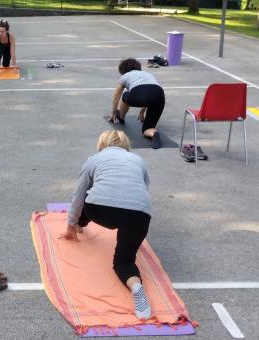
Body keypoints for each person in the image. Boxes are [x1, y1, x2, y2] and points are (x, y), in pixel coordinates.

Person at [60, 130, 152, 320]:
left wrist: (70, 225)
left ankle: (79, 225)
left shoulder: (93, 159)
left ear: (101, 144)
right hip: (138, 214)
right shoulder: (138, 160)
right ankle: (136, 287)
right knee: (124, 262)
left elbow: (78, 196)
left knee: (88, 196)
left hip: (101, 211)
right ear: (126, 145)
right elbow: (143, 190)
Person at [110, 58, 166, 149]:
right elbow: (148, 92)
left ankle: (121, 116)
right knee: (147, 128)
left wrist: (113, 113)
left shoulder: (125, 76)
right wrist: (142, 112)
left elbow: (116, 97)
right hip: (159, 95)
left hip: (138, 93)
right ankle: (154, 133)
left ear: (123, 71)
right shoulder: (148, 74)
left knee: (125, 95)